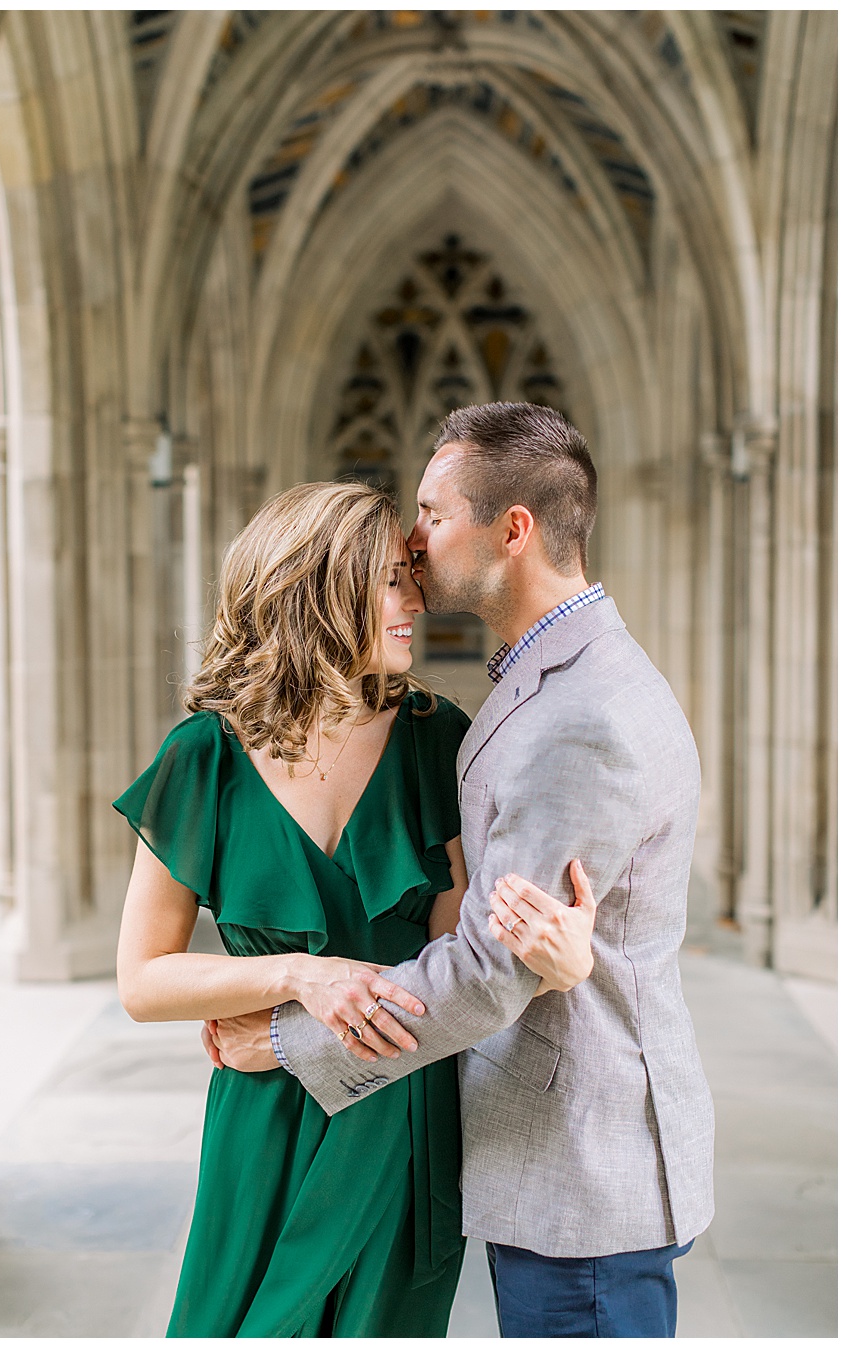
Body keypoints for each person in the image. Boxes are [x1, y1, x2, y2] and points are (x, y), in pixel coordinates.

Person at [213, 402, 714, 1337]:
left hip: (582, 1175)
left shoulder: (581, 718)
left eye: (434, 514)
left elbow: (488, 972)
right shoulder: (555, 676)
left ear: (512, 531)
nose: (414, 540)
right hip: (550, 1151)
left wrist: (284, 1042)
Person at [112, 478, 594, 1337]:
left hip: (401, 1112)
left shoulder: (438, 738)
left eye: (410, 573)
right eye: (388, 580)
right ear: (313, 591)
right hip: (261, 1121)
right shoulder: (202, 758)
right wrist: (301, 973)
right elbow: (143, 981)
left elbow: (465, 965)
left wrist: (560, 954)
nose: (415, 599)